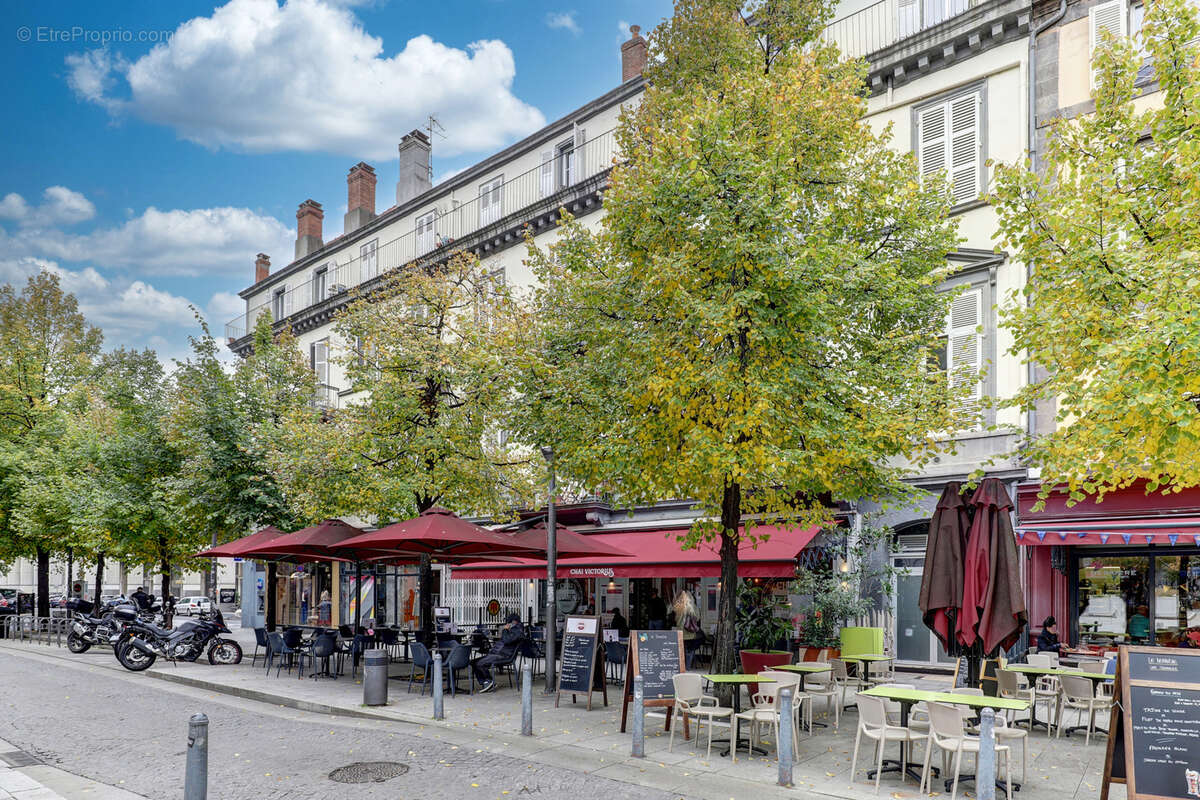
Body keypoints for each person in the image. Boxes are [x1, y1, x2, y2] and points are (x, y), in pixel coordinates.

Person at [473, 613, 524, 693]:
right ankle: (485, 682)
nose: (507, 624)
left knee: (479, 663)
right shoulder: (514, 630)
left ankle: (489, 681)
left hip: (504, 656)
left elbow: (506, 640)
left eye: (508, 623)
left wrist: (505, 630)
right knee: (474, 662)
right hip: (498, 654)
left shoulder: (517, 631)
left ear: (513, 622)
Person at [673, 590, 702, 667]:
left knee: (682, 649)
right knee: (690, 649)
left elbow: (675, 619)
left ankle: (682, 666)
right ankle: (688, 666)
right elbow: (698, 618)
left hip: (680, 633)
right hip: (690, 633)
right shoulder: (693, 607)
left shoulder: (678, 606)